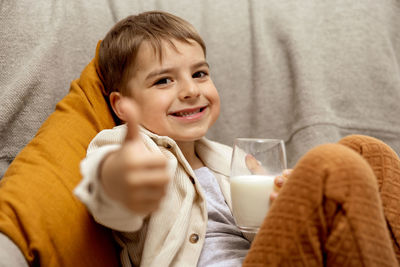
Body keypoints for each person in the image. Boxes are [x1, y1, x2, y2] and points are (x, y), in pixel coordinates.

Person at [74, 11, 400, 267]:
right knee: (331, 163)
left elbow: (262, 237)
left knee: (367, 151)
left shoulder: (230, 159)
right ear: (122, 105)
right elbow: (113, 205)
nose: (190, 90)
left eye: (199, 73)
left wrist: (286, 204)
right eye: (163, 80)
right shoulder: (124, 147)